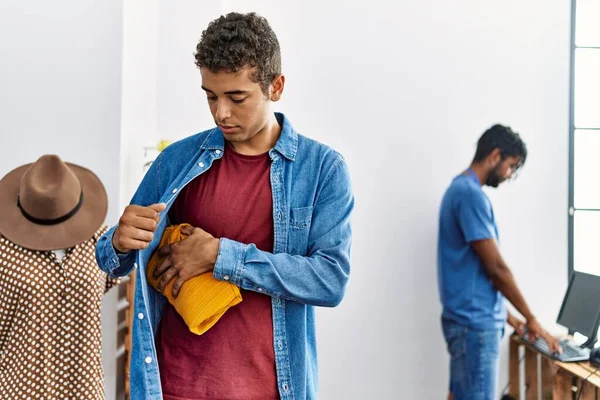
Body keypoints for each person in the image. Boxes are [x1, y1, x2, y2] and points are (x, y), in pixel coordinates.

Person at [95, 12, 354, 400]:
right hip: (176, 384)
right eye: (210, 96)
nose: (221, 113)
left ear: (276, 86)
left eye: (236, 97)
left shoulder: (322, 170)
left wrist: (219, 255)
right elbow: (110, 259)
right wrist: (118, 241)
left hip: (271, 386)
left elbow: (330, 280)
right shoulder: (177, 161)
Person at [437, 125, 561, 400]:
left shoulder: (456, 189)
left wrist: (509, 316)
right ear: (495, 156)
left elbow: (470, 272)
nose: (510, 175)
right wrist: (532, 320)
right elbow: (496, 268)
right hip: (475, 328)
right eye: (511, 166)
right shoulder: (470, 195)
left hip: (466, 321)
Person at [0, 154, 120, 399]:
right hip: (18, 388)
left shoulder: (99, 239)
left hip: (85, 388)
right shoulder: (3, 246)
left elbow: (110, 279)